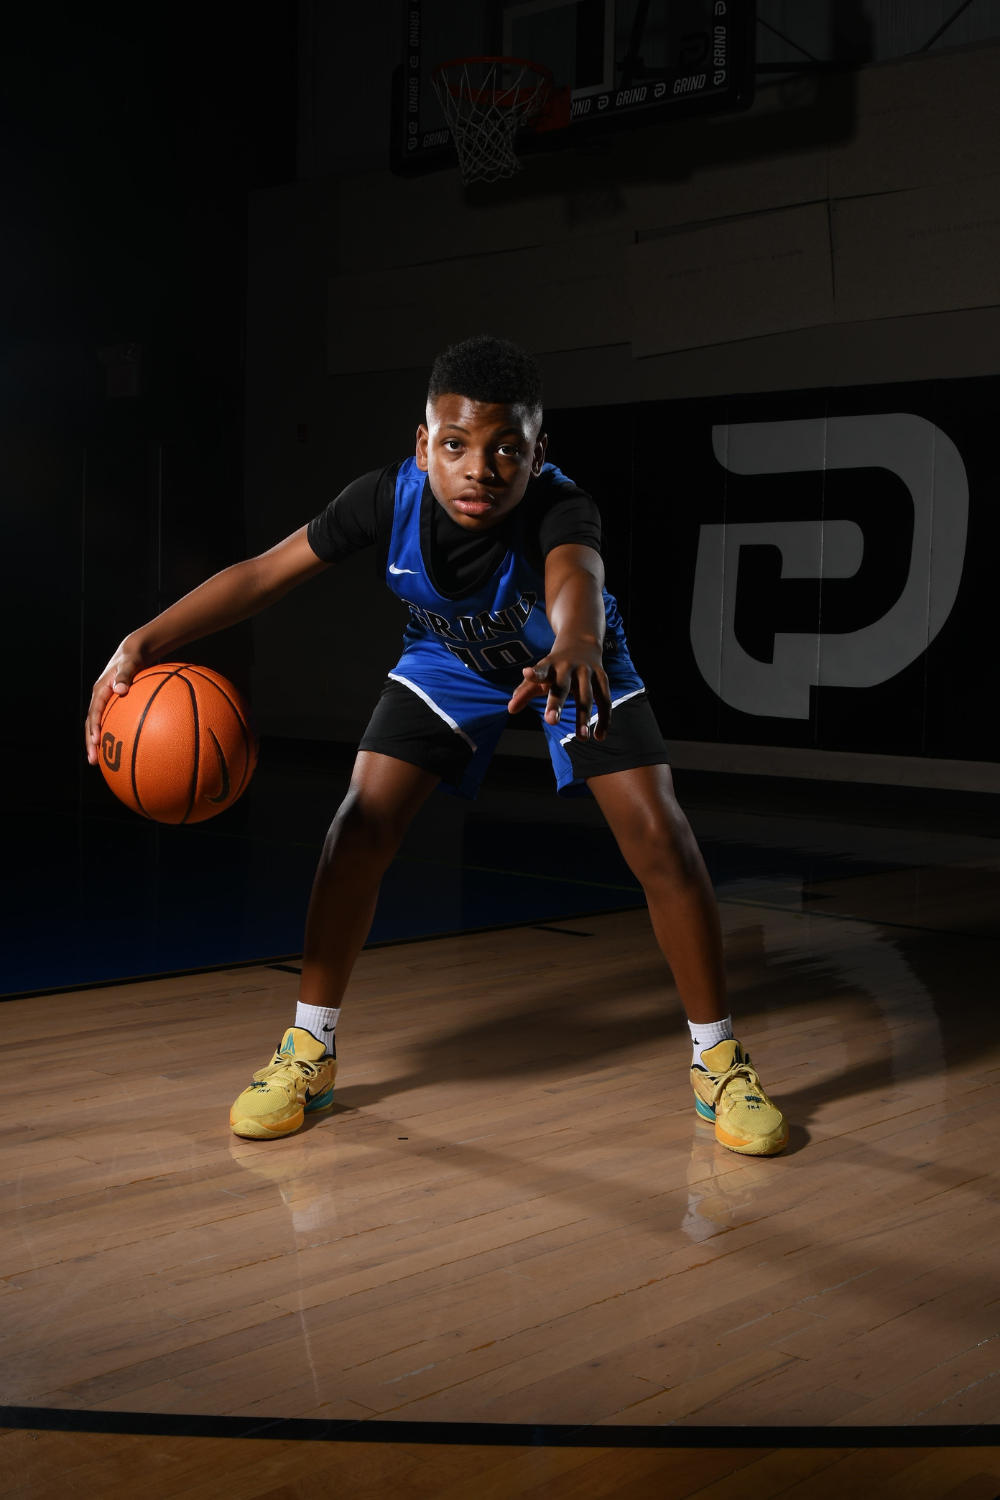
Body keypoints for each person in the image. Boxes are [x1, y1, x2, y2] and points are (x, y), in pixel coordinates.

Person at [85, 336, 787, 1158]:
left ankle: (718, 1061)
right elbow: (264, 573)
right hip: (448, 664)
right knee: (358, 826)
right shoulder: (386, 499)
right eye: (455, 445)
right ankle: (309, 1047)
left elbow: (577, 581)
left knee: (660, 836)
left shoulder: (563, 507)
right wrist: (141, 641)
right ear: (423, 445)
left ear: (538, 455)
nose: (479, 469)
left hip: (567, 664)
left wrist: (577, 643)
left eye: (506, 450)